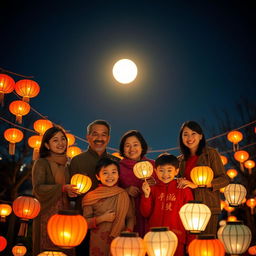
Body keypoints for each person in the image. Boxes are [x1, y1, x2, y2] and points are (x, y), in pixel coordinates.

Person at [69, 119, 118, 255]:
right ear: (88, 137)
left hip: (110, 221)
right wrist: (71, 192)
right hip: (84, 222)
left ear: (108, 138)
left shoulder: (115, 162)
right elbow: (70, 194)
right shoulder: (77, 161)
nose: (99, 138)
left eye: (103, 135)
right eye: (95, 134)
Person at [177, 121, 230, 235]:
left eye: (193, 133)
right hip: (185, 208)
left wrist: (199, 184)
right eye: (185, 134)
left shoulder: (210, 154)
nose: (189, 138)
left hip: (207, 206)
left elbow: (224, 179)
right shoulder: (180, 160)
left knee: (206, 243)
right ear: (181, 138)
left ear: (201, 136)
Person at [32, 126, 78, 256]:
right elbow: (38, 189)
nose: (61, 143)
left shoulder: (66, 165)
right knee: (48, 250)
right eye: (55, 140)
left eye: (63, 139)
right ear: (47, 145)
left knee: (65, 246)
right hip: (46, 214)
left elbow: (68, 188)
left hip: (65, 213)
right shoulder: (41, 163)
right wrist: (62, 188)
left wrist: (70, 192)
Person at [140, 153, 194, 256]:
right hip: (154, 237)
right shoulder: (152, 189)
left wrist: (190, 241)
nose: (165, 174)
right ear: (155, 171)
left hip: (177, 237)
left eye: (169, 170)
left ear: (176, 171)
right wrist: (146, 195)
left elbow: (190, 216)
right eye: (161, 170)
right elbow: (145, 213)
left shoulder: (183, 189)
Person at [82, 157, 135, 256]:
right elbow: (83, 223)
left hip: (121, 240)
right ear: (98, 176)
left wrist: (128, 232)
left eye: (114, 172)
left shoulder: (123, 194)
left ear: (118, 175)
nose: (110, 176)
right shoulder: (90, 197)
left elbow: (130, 217)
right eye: (105, 173)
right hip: (98, 242)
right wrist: (102, 218)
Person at [118, 130, 155, 237]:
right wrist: (125, 191)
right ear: (123, 149)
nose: (132, 149)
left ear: (142, 146)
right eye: (127, 146)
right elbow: (111, 191)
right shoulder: (118, 168)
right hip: (129, 215)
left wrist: (154, 185)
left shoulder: (152, 165)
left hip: (151, 214)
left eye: (135, 145)